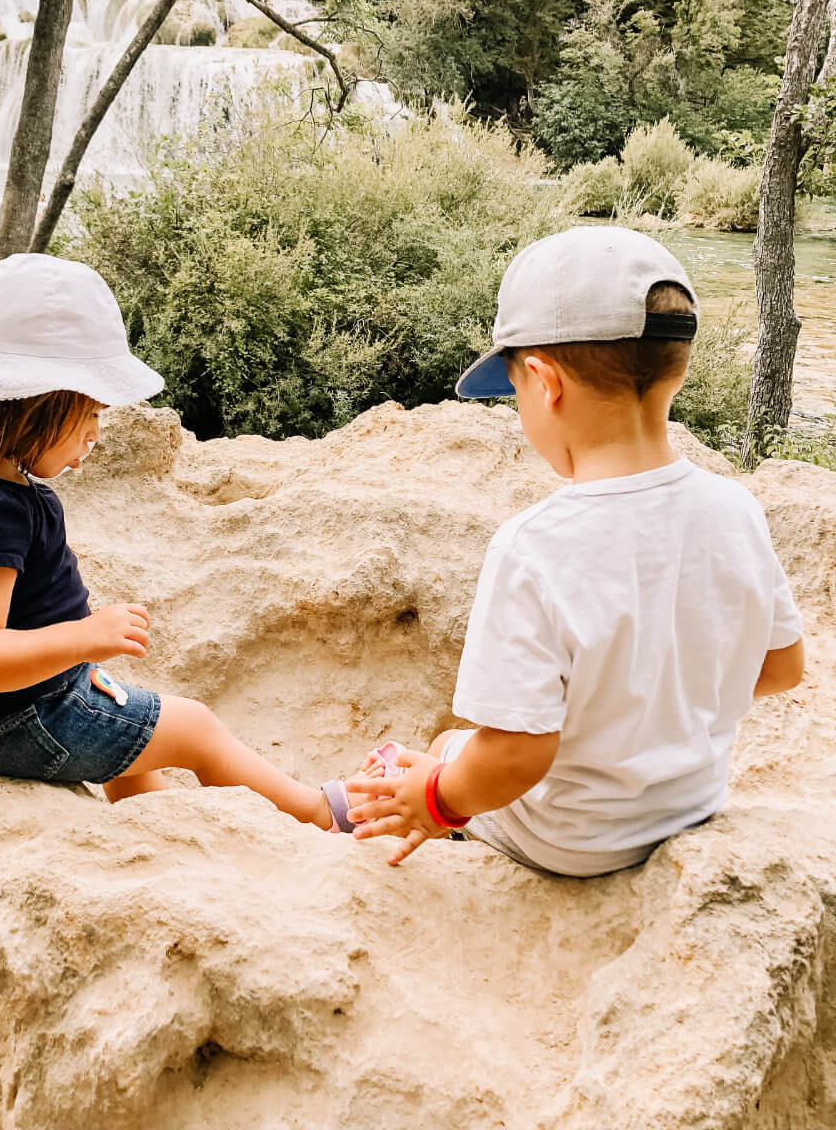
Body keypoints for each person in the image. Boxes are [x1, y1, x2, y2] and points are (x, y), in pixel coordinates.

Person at [343, 226, 806, 870]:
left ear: (543, 381)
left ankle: (357, 810)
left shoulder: (531, 548)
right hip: (691, 806)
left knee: (449, 750)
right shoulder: (737, 509)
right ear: (679, 368)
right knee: (458, 750)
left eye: (513, 397)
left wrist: (438, 800)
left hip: (573, 841)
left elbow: (515, 757)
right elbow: (781, 668)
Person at [0, 253, 336, 830]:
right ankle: (318, 813)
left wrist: (71, 662)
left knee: (136, 741)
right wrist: (80, 639)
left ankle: (150, 831)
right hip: (14, 720)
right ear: (35, 406)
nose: (96, 435)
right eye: (90, 414)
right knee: (195, 728)